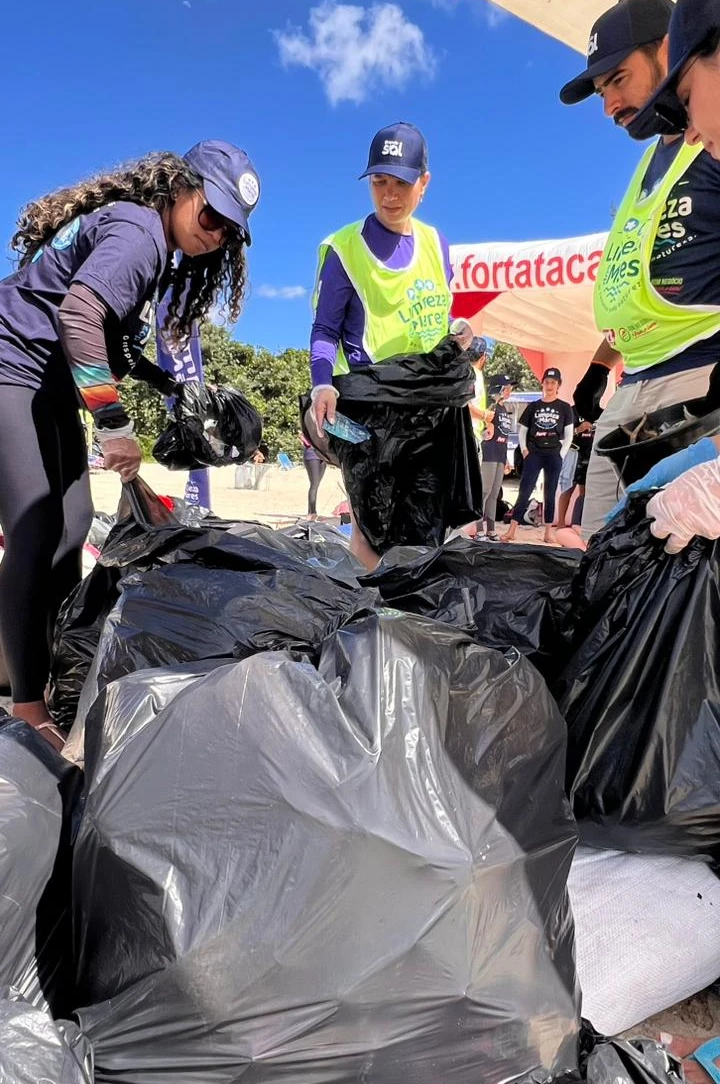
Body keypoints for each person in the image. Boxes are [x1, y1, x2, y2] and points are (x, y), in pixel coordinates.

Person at [0, 139, 260, 747]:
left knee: (74, 525)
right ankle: (26, 705)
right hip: (11, 365)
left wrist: (173, 386)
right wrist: (115, 428)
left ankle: (58, 674)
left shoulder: (147, 239)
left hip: (46, 380)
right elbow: (79, 315)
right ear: (180, 187)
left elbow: (112, 345)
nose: (216, 233)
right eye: (211, 213)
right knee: (35, 529)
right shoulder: (142, 233)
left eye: (230, 229)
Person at [560, 0, 720, 538]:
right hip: (631, 388)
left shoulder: (713, 143)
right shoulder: (648, 167)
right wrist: (600, 368)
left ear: (670, 50)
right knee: (598, 556)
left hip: (696, 385)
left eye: (618, 79)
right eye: (601, 92)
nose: (609, 106)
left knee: (675, 581)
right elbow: (636, 287)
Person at [308, 122, 482, 570]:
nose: (389, 195)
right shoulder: (344, 249)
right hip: (371, 410)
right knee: (372, 525)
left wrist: (456, 334)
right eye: (379, 182)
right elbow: (325, 329)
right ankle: (367, 625)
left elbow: (436, 316)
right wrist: (321, 385)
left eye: (401, 182)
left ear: (424, 183)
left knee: (427, 526)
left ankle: (410, 626)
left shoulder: (436, 243)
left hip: (430, 408)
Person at [503, 368, 574, 544]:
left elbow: (569, 435)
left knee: (550, 493)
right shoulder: (533, 406)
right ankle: (512, 530)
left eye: (553, 382)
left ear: (558, 385)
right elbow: (523, 430)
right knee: (525, 490)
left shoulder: (565, 408)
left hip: (553, 454)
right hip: (534, 453)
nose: (549, 385)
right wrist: (525, 450)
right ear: (542, 384)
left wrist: (561, 454)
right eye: (547, 382)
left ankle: (548, 532)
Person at [477, 374, 514, 541]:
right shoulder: (490, 407)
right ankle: (479, 529)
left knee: (494, 493)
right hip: (489, 453)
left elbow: (504, 435)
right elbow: (485, 431)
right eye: (506, 388)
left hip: (500, 453)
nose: (509, 391)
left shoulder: (505, 409)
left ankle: (491, 529)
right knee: (484, 491)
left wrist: (506, 458)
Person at [300, 432, 326, 520]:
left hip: (323, 457)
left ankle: (311, 511)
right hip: (312, 455)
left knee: (317, 484)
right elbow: (303, 437)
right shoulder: (309, 424)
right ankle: (312, 512)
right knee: (314, 484)